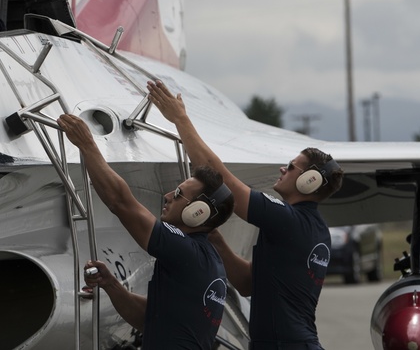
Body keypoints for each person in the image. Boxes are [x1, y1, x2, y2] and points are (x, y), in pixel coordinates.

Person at [146, 79, 344, 350]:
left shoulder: (290, 220)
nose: (282, 170)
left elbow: (221, 180)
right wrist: (216, 241)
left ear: (309, 180)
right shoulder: (314, 228)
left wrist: (180, 119)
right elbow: (248, 284)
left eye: (291, 167)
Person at [58, 113, 234, 349]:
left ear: (198, 212)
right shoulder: (208, 259)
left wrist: (86, 144)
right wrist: (111, 284)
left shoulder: (185, 250)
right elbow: (148, 319)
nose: (168, 196)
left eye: (179, 194)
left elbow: (120, 202)